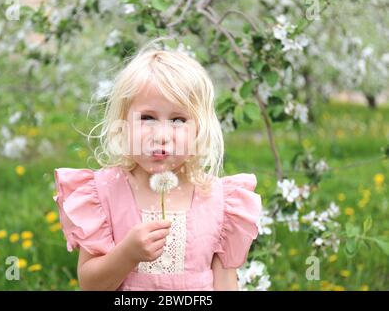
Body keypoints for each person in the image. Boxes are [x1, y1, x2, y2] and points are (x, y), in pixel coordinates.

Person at [53, 39, 262, 291]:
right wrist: (127, 254)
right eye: (148, 118)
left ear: (199, 129)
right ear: (123, 122)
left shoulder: (220, 201)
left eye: (178, 120)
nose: (162, 134)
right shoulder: (103, 193)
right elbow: (90, 285)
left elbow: (226, 284)